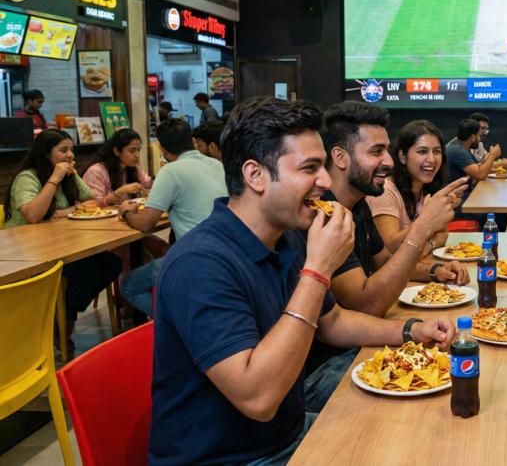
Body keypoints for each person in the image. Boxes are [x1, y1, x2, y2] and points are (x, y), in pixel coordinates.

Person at [148, 96, 456, 465]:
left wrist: (412, 330)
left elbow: (333, 322)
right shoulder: (199, 263)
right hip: (235, 457)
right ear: (255, 175)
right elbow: (258, 399)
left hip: (289, 433)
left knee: (426, 434)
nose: (325, 181)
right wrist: (317, 270)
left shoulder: (285, 236)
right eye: (310, 168)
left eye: (324, 166)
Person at [280, 103, 468, 411]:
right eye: (377, 152)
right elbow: (367, 304)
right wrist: (422, 229)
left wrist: (436, 271)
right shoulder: (321, 216)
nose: (389, 161)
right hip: (323, 367)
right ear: (340, 157)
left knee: (457, 359)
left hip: (356, 342)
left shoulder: (358, 205)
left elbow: (383, 262)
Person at [3, 129, 121, 345]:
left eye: (71, 150)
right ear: (46, 154)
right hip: (26, 252)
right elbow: (32, 216)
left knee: (112, 263)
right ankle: (63, 325)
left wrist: (68, 211)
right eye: (63, 150)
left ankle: (62, 318)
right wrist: (54, 179)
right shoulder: (27, 177)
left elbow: (93, 201)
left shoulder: (71, 175)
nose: (70, 155)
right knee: (88, 272)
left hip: (57, 245)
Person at [117, 118, 228, 316]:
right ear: (193, 142)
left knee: (129, 285)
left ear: (162, 150)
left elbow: (145, 223)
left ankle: (176, 323)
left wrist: (126, 212)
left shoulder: (170, 170)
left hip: (195, 258)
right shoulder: (217, 164)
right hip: (227, 253)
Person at [83, 129, 168, 303]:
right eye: (132, 151)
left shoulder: (133, 169)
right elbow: (88, 205)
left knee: (166, 252)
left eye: (139, 150)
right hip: (106, 237)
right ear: (116, 151)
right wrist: (120, 192)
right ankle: (131, 307)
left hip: (130, 231)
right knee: (142, 260)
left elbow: (149, 186)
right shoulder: (97, 171)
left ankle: (162, 302)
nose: (137, 155)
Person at [366, 120, 452, 253]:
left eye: (436, 151)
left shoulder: (426, 189)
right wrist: (425, 220)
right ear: (402, 156)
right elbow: (389, 250)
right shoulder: (386, 191)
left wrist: (424, 249)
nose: (432, 159)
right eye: (422, 151)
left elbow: (442, 234)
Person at [446, 118, 507, 231]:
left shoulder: (460, 146)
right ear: (472, 137)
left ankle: (494, 240)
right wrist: (492, 155)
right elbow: (480, 174)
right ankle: (489, 241)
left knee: (501, 208)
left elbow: (479, 167)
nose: (480, 140)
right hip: (455, 203)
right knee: (498, 213)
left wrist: (496, 169)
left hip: (464, 197)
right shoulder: (457, 150)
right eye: (479, 136)